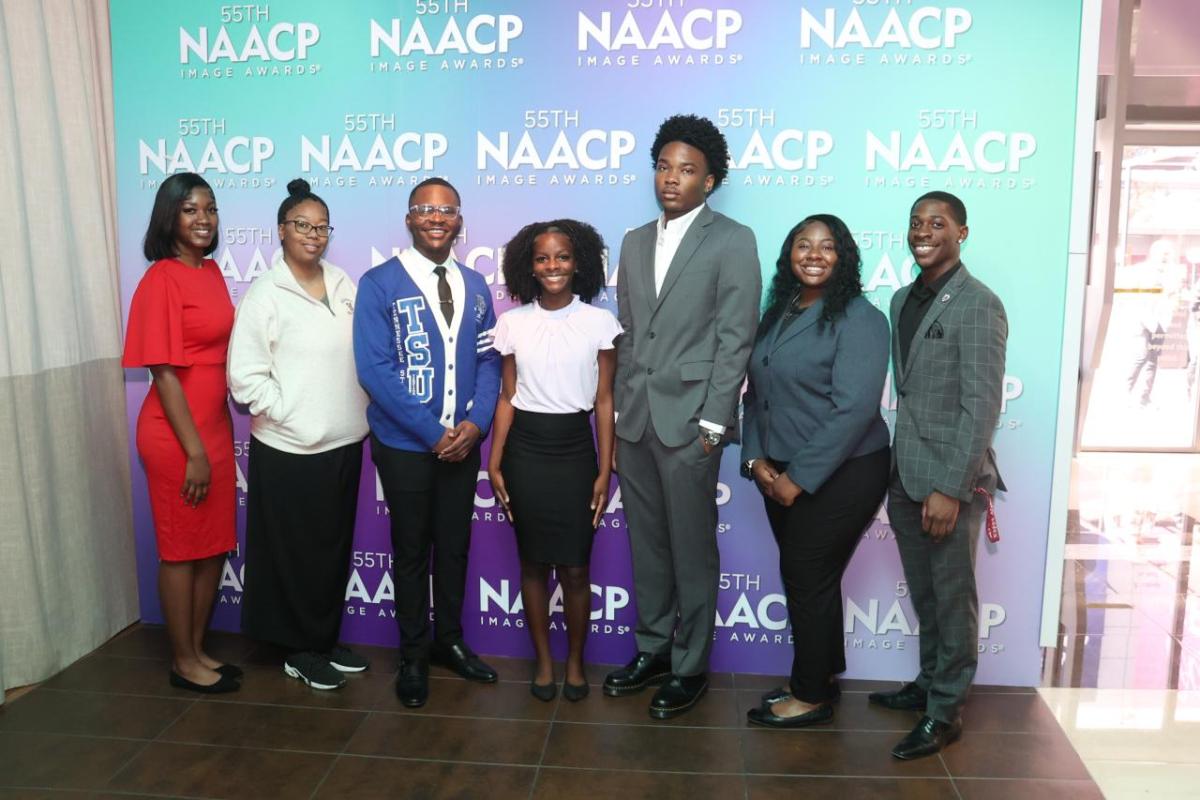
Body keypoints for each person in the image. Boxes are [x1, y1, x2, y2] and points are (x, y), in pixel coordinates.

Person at [604, 114, 761, 719]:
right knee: (647, 544)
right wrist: (617, 408)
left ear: (710, 180)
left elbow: (735, 337)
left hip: (693, 421)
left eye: (687, 170)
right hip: (637, 418)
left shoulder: (732, 239)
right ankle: (654, 650)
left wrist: (716, 422)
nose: (671, 178)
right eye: (664, 166)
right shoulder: (635, 240)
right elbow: (630, 334)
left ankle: (691, 664)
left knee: (692, 548)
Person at [869, 191, 1008, 760]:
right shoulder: (902, 299)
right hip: (904, 475)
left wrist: (951, 488)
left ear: (962, 233)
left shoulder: (978, 303)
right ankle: (928, 684)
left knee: (952, 600)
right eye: (916, 223)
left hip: (948, 482)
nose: (924, 231)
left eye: (938, 223)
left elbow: (982, 406)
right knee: (926, 596)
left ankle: (946, 712)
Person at [353, 177, 501, 708]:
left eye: (447, 210)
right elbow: (375, 370)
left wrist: (476, 425)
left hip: (463, 444)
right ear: (409, 219)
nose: (437, 218)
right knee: (412, 550)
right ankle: (413, 655)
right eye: (426, 209)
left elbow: (488, 360)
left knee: (454, 548)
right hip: (405, 446)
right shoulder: (378, 284)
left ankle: (449, 642)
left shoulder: (475, 286)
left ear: (458, 221)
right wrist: (433, 432)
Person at [740, 214, 890, 728]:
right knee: (810, 578)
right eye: (803, 244)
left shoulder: (862, 319)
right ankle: (819, 673)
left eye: (827, 246)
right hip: (776, 465)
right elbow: (755, 394)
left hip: (845, 470)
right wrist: (756, 459)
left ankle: (810, 695)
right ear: (789, 254)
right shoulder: (779, 311)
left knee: (807, 575)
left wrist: (795, 479)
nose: (814, 254)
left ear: (843, 256)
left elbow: (854, 410)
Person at [227, 179, 370, 691]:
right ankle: (298, 650)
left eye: (321, 227)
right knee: (294, 554)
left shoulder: (343, 282)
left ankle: (324, 638)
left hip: (344, 441)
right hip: (289, 447)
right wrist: (287, 412)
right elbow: (244, 377)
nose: (313, 234)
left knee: (330, 551)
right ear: (281, 231)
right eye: (302, 226)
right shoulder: (266, 293)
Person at [487, 219, 621, 702]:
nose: (553, 266)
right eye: (542, 258)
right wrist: (495, 462)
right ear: (529, 266)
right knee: (532, 565)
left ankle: (575, 663)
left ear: (578, 262)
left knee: (576, 569)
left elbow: (604, 401)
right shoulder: (513, 324)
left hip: (574, 451)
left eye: (562, 256)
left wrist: (605, 470)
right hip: (525, 452)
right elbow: (507, 397)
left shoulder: (600, 323)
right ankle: (544, 663)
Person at [122, 172, 240, 694]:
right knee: (180, 548)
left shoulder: (211, 272)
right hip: (175, 434)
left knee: (212, 545)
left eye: (210, 209)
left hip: (213, 427)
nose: (203, 219)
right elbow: (164, 373)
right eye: (191, 209)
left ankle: (197, 649)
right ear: (169, 217)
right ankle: (182, 660)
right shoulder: (161, 279)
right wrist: (194, 450)